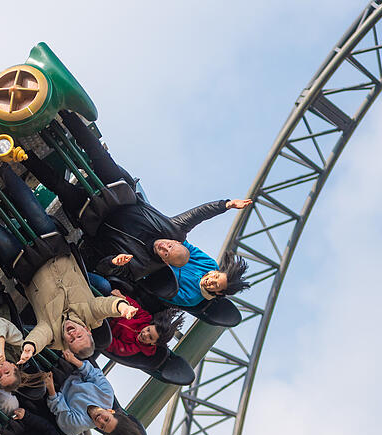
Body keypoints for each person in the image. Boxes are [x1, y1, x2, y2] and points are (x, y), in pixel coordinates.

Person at [24, 110, 251, 300]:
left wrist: (114, 261)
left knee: (61, 188)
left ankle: (23, 155)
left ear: (164, 261)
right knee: (103, 160)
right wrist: (227, 204)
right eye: (170, 246)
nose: (165, 247)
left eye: (166, 253)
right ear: (175, 241)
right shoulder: (175, 231)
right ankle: (66, 113)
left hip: (95, 218)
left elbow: (105, 268)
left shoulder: (142, 266)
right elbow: (198, 214)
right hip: (120, 197)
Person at [0, 165, 138, 362]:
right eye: (79, 336)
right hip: (56, 253)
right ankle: (2, 168)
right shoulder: (92, 313)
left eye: (72, 339)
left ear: (67, 343)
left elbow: (40, 335)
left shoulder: (54, 335)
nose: (72, 333)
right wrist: (123, 308)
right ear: (88, 331)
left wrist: (30, 347)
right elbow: (108, 305)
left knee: (1, 238)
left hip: (29, 269)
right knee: (37, 213)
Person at [44, 351, 145, 435]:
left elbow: (57, 406)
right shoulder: (107, 395)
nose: (100, 420)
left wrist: (50, 387)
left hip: (55, 387)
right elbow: (93, 373)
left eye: (102, 426)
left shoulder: (77, 425)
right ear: (111, 411)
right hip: (70, 369)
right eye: (106, 419)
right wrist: (73, 359)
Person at [105, 292, 184, 358]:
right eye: (148, 329)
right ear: (150, 325)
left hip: (103, 328)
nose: (145, 334)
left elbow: (111, 344)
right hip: (112, 311)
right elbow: (135, 307)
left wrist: (101, 330)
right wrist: (124, 298)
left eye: (150, 337)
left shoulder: (132, 348)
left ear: (153, 343)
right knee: (104, 286)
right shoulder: (145, 318)